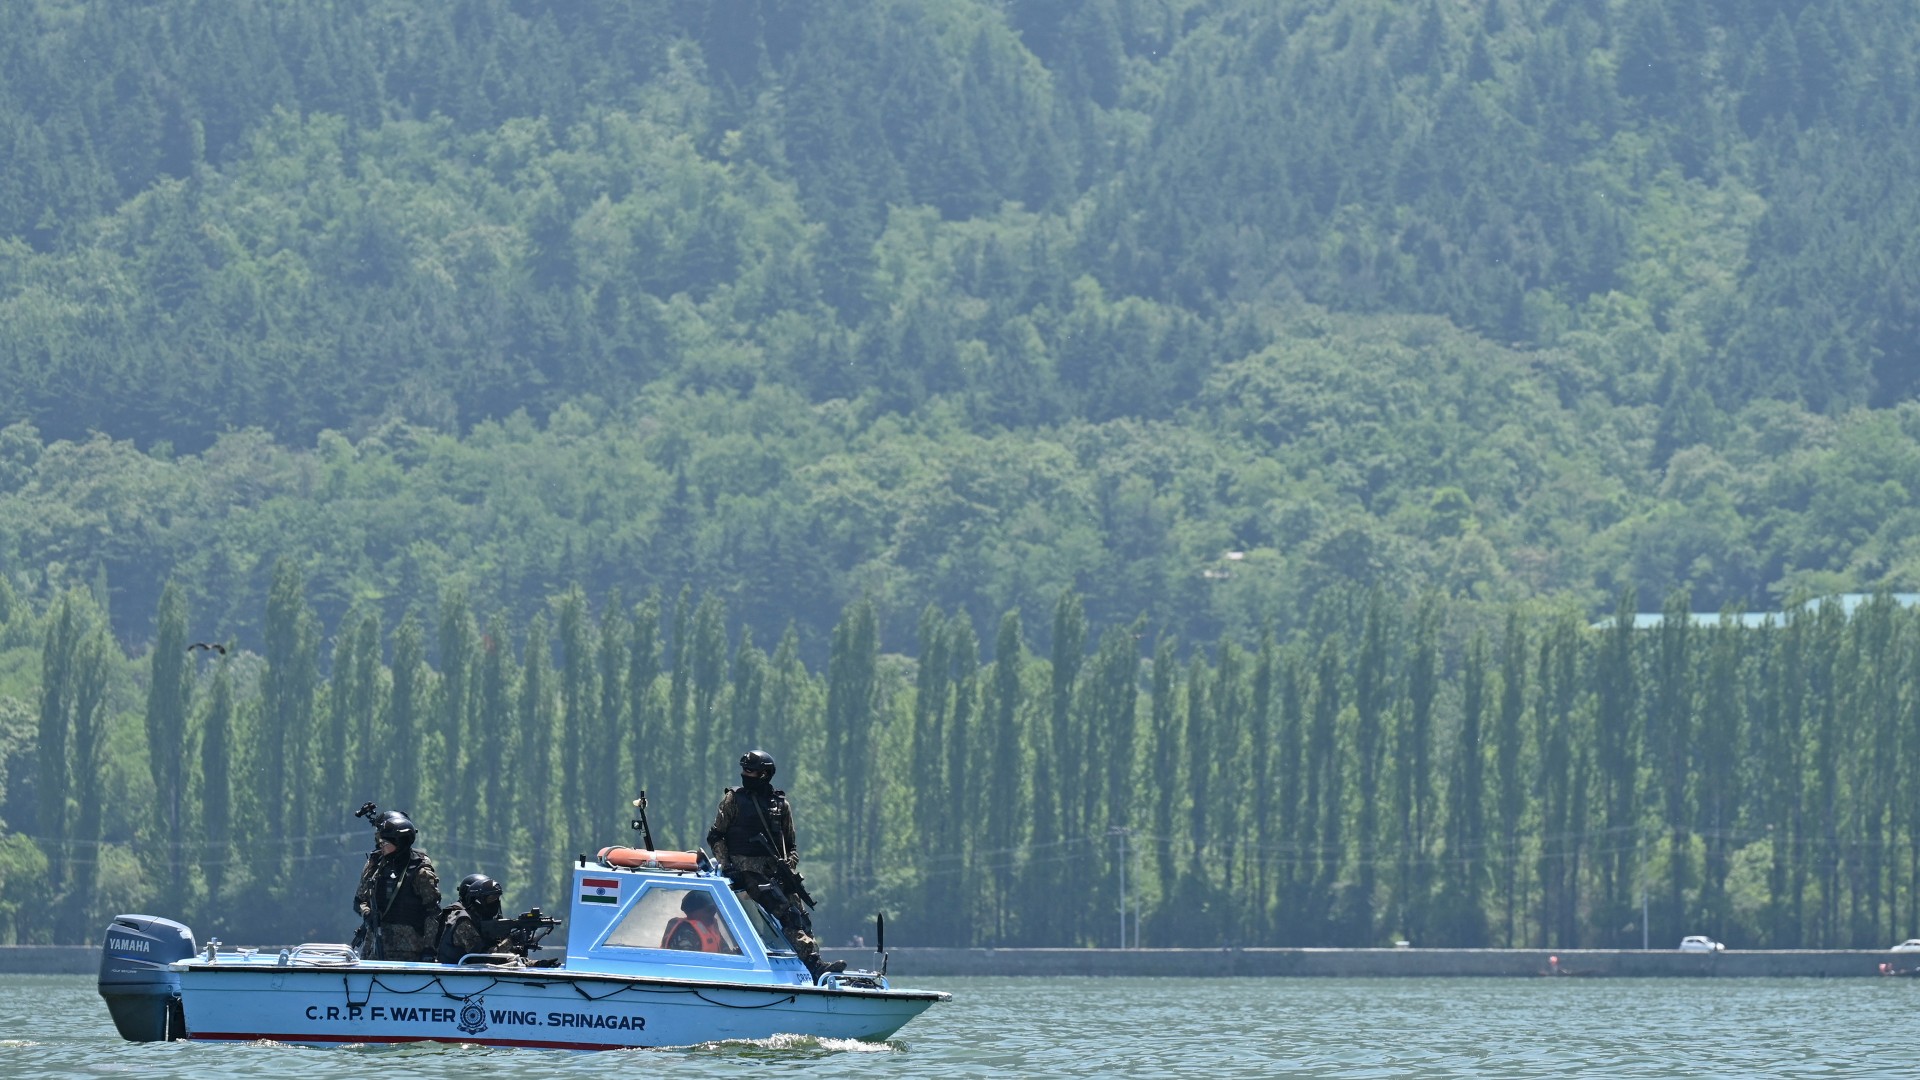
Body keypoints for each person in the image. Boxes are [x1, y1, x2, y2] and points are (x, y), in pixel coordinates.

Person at [707, 749, 845, 981]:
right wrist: (727, 865)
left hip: (776, 872)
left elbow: (791, 847)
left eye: (750, 770)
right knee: (787, 914)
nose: (745, 774)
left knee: (801, 918)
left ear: (765, 774)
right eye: (744, 770)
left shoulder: (781, 805)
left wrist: (788, 866)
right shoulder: (733, 799)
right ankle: (815, 966)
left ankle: (813, 967)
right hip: (747, 871)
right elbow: (716, 836)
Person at [353, 811, 441, 961]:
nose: (381, 847)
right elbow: (359, 901)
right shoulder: (374, 865)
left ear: (399, 842)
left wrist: (429, 949)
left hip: (409, 953)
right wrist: (367, 913)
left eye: (385, 843)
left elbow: (433, 914)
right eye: (380, 842)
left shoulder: (420, 872)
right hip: (374, 947)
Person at [437, 873, 509, 964]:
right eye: (490, 899)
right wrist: (511, 941)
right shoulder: (463, 922)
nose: (495, 903)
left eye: (496, 899)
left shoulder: (481, 921)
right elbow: (483, 957)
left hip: (473, 974)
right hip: (455, 975)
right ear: (475, 899)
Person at [660, 890, 735, 953]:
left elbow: (725, 951)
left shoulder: (711, 926)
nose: (713, 913)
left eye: (715, 909)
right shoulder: (684, 931)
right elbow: (686, 965)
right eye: (709, 910)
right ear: (692, 913)